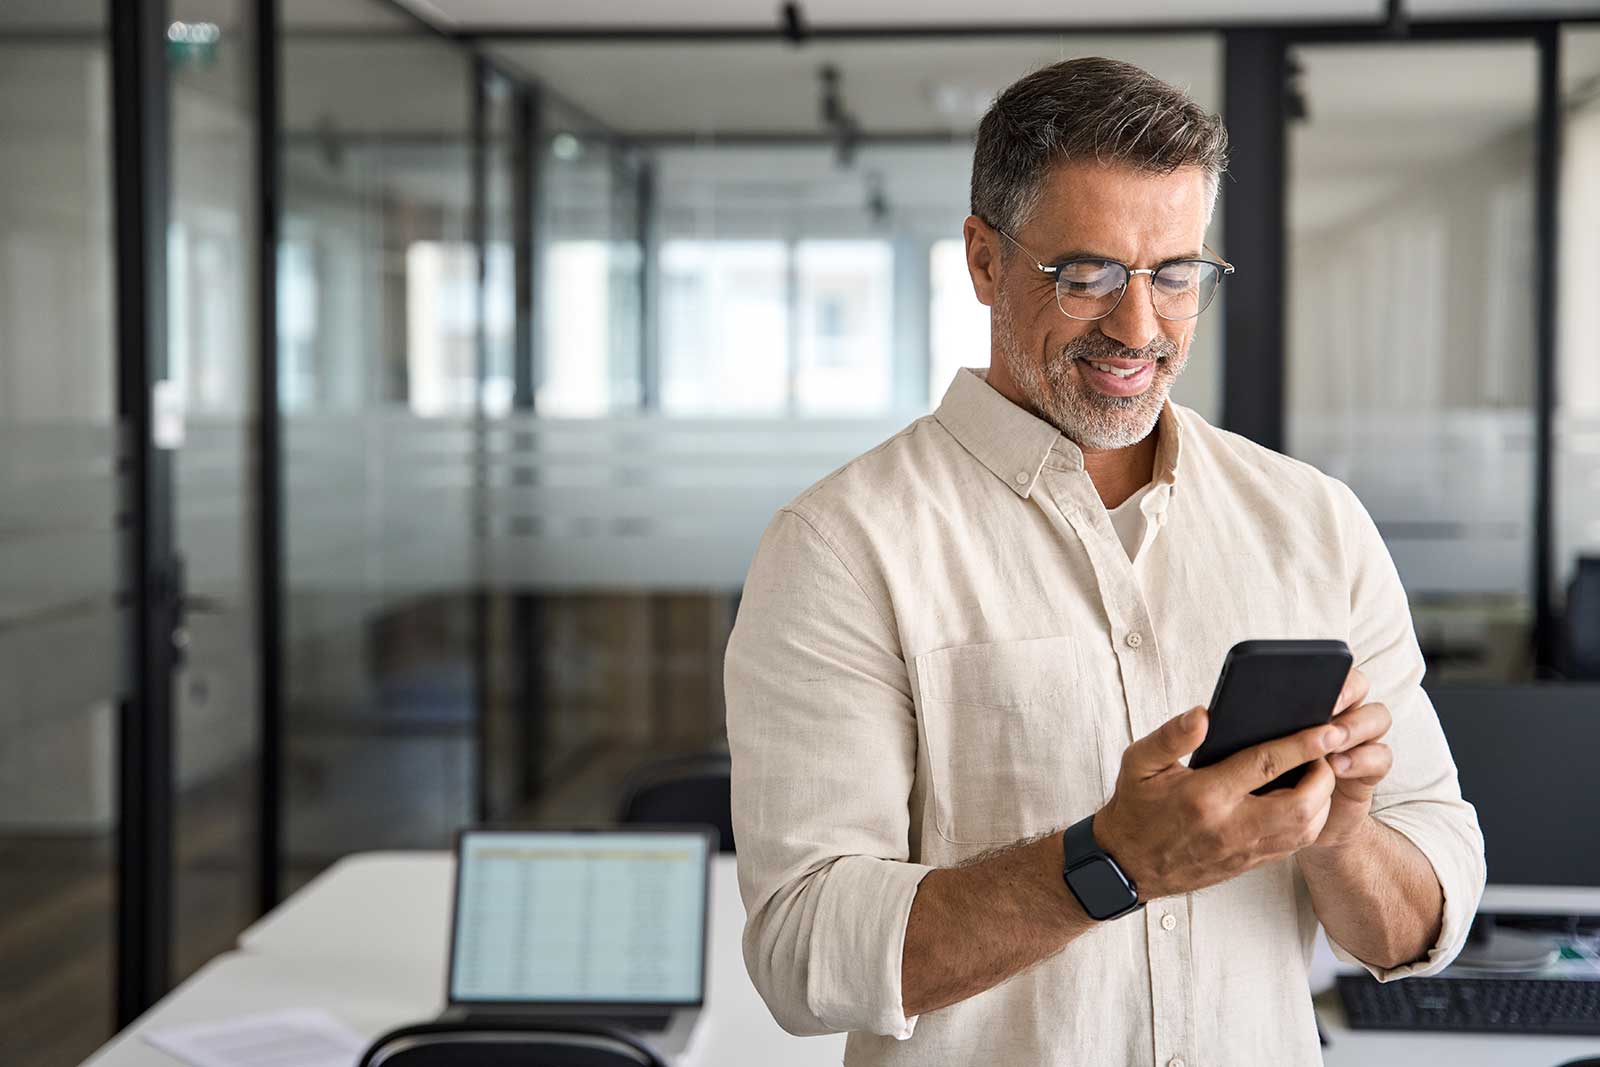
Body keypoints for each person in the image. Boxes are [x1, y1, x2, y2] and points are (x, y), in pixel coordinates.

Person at [724, 56, 1485, 1065]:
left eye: (1174, 274)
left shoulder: (1313, 521)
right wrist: (1109, 860)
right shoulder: (841, 544)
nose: (1138, 327)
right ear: (984, 260)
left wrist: (1336, 833)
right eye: (1085, 275)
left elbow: (1420, 917)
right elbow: (803, 952)